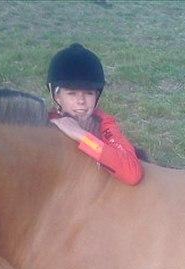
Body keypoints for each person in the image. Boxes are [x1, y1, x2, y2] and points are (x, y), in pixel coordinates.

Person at [47, 43, 144, 186]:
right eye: (72, 93)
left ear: (97, 96)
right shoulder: (46, 122)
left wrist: (82, 136)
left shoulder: (104, 124)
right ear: (57, 96)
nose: (81, 101)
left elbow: (132, 174)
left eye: (89, 93)